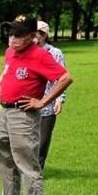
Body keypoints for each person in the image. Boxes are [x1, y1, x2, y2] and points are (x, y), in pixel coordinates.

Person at [0, 14, 73, 195]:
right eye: (10, 33)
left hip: (23, 114)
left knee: (27, 162)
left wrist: (43, 101)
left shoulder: (40, 55)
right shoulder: (10, 52)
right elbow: (6, 70)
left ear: (32, 36)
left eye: (18, 34)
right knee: (4, 157)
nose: (12, 38)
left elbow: (65, 78)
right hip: (4, 111)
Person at [35, 20, 66, 171]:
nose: (37, 35)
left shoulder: (55, 53)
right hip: (28, 103)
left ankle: (37, 170)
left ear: (46, 35)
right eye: (34, 32)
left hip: (48, 103)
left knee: (42, 141)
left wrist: (60, 99)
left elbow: (63, 78)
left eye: (41, 33)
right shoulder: (25, 52)